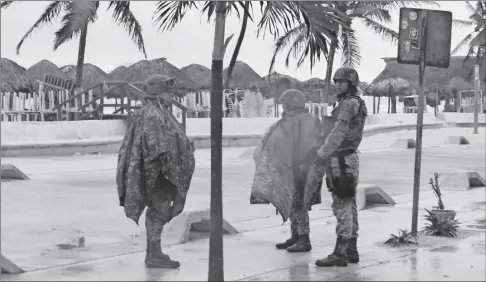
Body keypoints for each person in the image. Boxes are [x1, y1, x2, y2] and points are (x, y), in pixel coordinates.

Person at [116, 74, 195, 269]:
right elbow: (157, 146)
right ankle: (155, 253)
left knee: (155, 211)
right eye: (166, 92)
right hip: (158, 174)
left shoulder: (157, 112)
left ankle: (152, 252)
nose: (170, 96)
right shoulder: (152, 114)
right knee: (158, 211)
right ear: (157, 93)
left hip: (158, 172)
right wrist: (171, 162)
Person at [250, 89, 323, 253]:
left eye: (284, 104)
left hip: (301, 170)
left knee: (300, 205)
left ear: (292, 103)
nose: (282, 107)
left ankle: (304, 239)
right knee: (291, 203)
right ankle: (295, 236)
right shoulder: (288, 120)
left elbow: (309, 145)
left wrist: (303, 166)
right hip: (288, 169)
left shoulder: (307, 121)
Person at [314, 67, 368, 267]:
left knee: (342, 204)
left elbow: (338, 132)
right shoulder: (355, 102)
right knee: (350, 203)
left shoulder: (348, 105)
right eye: (336, 81)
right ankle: (351, 249)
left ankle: (340, 252)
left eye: (342, 82)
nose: (338, 85)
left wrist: (322, 154)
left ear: (351, 84)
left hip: (341, 160)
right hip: (349, 157)